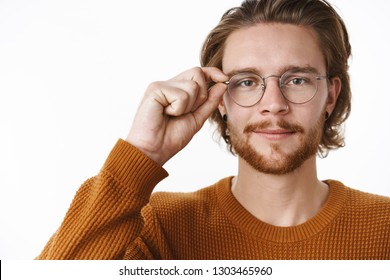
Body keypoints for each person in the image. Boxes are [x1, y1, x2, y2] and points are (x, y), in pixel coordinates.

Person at [37, 0, 390, 260]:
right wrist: (142, 153)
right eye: (247, 81)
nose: (273, 103)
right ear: (219, 98)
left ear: (331, 95)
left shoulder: (384, 228)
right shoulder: (161, 229)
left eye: (296, 79)